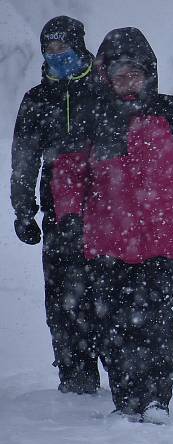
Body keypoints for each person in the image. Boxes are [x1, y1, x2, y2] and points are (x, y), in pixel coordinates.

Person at [51, 27, 173, 421]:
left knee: (155, 317)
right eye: (119, 75)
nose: (128, 83)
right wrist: (70, 218)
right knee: (113, 319)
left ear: (150, 74)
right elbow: (68, 174)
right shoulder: (91, 116)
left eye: (135, 74)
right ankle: (126, 398)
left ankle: (155, 399)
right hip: (107, 238)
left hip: (164, 239)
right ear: (105, 77)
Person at [10, 16, 101, 394]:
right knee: (62, 298)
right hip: (57, 212)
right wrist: (23, 209)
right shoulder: (36, 99)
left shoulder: (103, 89)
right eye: (49, 49)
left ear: (79, 46)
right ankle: (75, 375)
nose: (56, 55)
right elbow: (24, 158)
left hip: (107, 212)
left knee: (105, 294)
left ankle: (121, 377)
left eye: (63, 47)